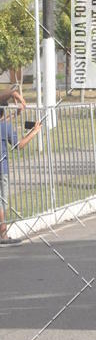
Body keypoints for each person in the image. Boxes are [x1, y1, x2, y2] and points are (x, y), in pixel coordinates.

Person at [0, 88, 41, 245]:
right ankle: (3, 235)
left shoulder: (4, 125)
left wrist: (15, 113)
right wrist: (34, 131)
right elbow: (19, 145)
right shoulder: (6, 127)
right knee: (2, 202)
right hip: (2, 170)